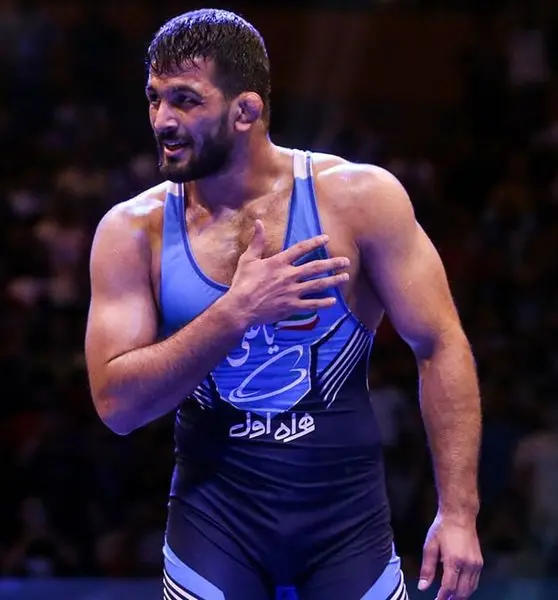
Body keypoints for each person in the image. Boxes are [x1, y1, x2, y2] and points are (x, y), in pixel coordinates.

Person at [84, 8, 483, 600]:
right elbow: (117, 407)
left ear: (246, 110)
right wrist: (235, 313)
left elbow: (440, 343)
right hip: (214, 525)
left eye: (185, 100)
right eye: (154, 98)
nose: (162, 120)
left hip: (346, 526)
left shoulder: (359, 199)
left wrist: (459, 512)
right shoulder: (131, 231)